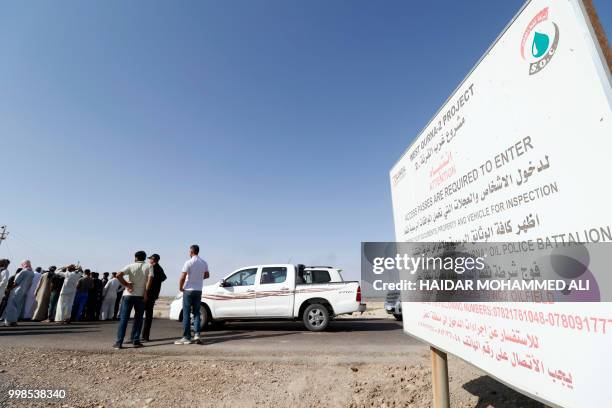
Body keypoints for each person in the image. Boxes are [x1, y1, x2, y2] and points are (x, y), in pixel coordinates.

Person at [113, 251, 153, 349]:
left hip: (128, 294)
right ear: (144, 258)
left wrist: (126, 284)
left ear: (135, 257)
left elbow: (118, 275)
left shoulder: (130, 266)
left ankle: (119, 342)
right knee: (138, 319)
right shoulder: (149, 266)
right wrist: (146, 292)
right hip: (140, 295)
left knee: (124, 319)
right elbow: (150, 279)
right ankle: (136, 341)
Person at [175, 245, 209, 345]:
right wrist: (198, 278)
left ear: (191, 251)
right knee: (197, 313)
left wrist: (181, 287)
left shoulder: (188, 262)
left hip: (188, 290)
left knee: (186, 313)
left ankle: (186, 337)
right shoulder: (203, 262)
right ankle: (197, 335)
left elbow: (182, 277)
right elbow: (207, 275)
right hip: (198, 290)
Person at [141, 253, 167, 342]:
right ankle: (145, 336)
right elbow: (164, 278)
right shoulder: (160, 268)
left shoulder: (152, 268)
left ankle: (140, 336)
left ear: (153, 259)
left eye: (150, 259)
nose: (149, 261)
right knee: (148, 315)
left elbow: (149, 279)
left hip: (147, 293)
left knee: (141, 314)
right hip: (154, 294)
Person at [2, 261, 35, 326]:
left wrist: (9, 289)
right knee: (18, 307)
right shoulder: (32, 273)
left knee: (10, 306)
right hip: (23, 291)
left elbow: (16, 283)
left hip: (16, 291)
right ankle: (14, 321)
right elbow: (30, 284)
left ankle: (9, 322)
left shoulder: (23, 271)